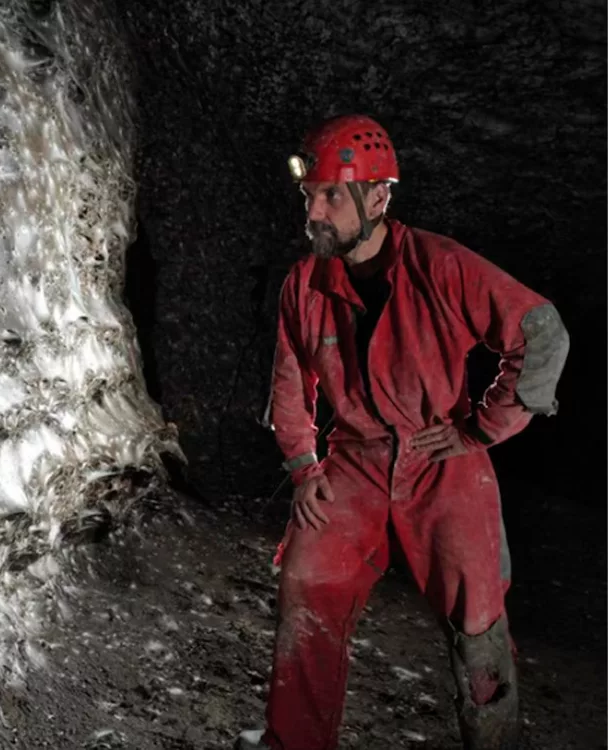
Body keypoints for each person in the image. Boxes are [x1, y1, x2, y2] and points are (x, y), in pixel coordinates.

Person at [235, 115, 571, 750]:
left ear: (379, 197)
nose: (316, 210)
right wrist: (304, 467)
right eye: (311, 195)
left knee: (478, 619)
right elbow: (289, 383)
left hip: (439, 456)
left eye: (333, 195)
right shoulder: (305, 283)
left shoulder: (440, 265)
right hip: (354, 459)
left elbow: (541, 331)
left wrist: (483, 429)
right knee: (308, 580)